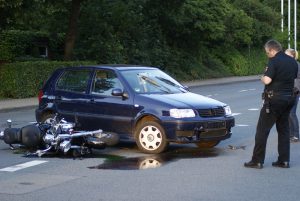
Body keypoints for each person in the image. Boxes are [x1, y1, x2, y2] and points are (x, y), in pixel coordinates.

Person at [244, 39, 298, 169]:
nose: (267, 55)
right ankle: (284, 160)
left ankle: (257, 160)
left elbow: (267, 80)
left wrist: (261, 78)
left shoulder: (273, 61)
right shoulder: (293, 61)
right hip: (290, 99)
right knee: (284, 130)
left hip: (274, 100)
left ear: (272, 50)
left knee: (262, 130)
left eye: (267, 52)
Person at [285, 48, 300, 142]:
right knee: (288, 113)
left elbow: (297, 79)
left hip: (294, 91)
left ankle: (296, 135)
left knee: (292, 113)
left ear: (292, 55)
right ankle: (290, 134)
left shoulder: (296, 65)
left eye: (286, 54)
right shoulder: (287, 64)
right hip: (287, 91)